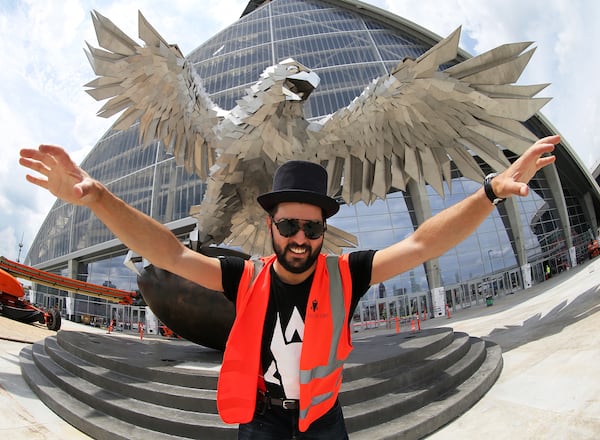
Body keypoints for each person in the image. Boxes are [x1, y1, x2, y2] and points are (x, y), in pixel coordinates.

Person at [19, 135, 558, 439]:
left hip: (324, 422)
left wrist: (489, 192)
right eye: (289, 225)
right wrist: (98, 200)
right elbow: (171, 253)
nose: (301, 238)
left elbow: (422, 244)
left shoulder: (347, 274)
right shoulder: (245, 277)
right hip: (262, 422)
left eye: (313, 227)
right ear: (271, 225)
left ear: (324, 229)